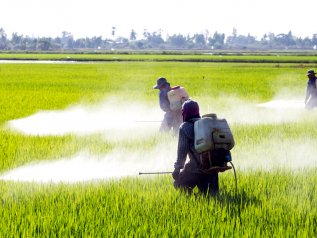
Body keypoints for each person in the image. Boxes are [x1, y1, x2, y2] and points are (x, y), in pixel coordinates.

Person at [172, 99, 219, 196]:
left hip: (195, 169)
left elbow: (182, 151)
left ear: (184, 112)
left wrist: (177, 168)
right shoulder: (207, 124)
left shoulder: (185, 127)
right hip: (213, 168)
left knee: (178, 184)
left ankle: (195, 199)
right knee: (212, 197)